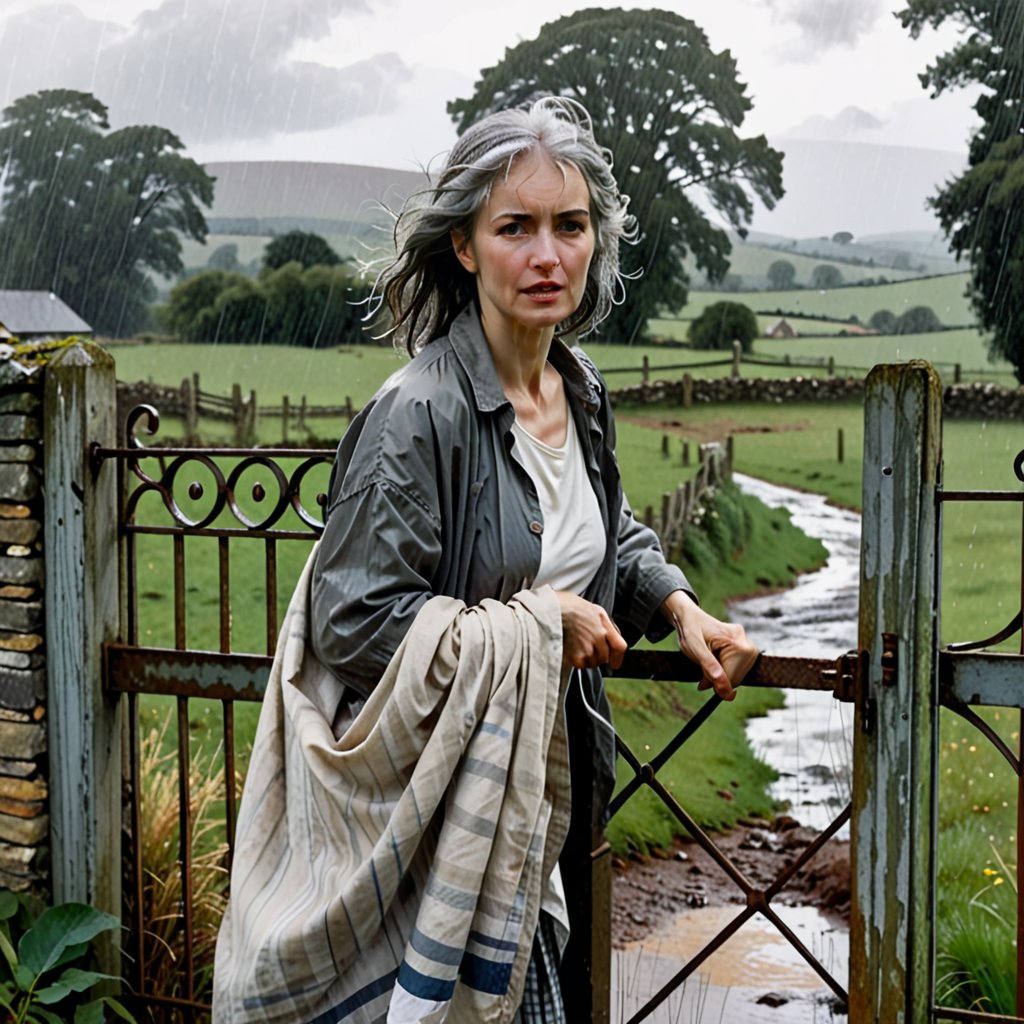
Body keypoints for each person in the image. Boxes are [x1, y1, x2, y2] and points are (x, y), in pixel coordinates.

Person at [213, 95, 757, 1024]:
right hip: (431, 835)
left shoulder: (577, 391)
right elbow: (351, 621)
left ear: (596, 240)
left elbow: (601, 529)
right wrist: (541, 623)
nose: (548, 256)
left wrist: (676, 604)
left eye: (570, 225)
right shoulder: (418, 414)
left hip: (534, 816)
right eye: (516, 227)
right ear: (464, 245)